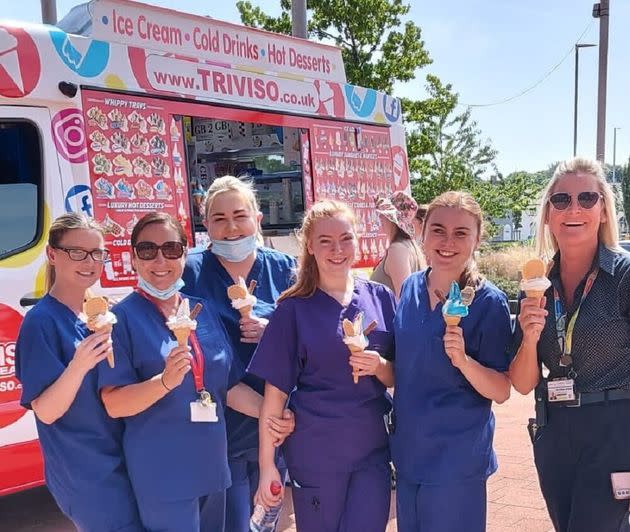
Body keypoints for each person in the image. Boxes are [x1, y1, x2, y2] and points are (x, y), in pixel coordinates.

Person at [249, 199, 396, 532]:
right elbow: (274, 397)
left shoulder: (381, 298)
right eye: (325, 241)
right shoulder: (292, 309)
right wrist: (268, 465)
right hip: (316, 452)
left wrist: (379, 364)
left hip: (371, 448)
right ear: (310, 247)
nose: (337, 249)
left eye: (345, 238)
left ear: (358, 240)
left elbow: (397, 375)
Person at [99, 212, 249, 532]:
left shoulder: (201, 310)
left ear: (185, 252)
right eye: (147, 250)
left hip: (212, 467)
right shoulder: (120, 320)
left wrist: (276, 412)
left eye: (171, 249)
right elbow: (114, 403)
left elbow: (229, 386)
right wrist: (164, 382)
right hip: (163, 475)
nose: (160, 260)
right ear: (132, 258)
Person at [510, 157, 630, 532]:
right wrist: (529, 337)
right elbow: (523, 382)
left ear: (604, 211)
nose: (573, 208)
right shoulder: (535, 284)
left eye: (587, 198)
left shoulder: (624, 276)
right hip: (555, 428)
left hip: (615, 427)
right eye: (561, 200)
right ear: (547, 215)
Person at [392, 191, 513, 532]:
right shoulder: (411, 288)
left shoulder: (489, 303)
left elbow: (501, 390)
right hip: (409, 454)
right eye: (438, 230)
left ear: (477, 239)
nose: (447, 242)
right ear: (422, 233)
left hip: (455, 461)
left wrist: (463, 361)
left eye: (461, 232)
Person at [14, 213, 142, 532]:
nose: (89, 262)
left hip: (123, 461)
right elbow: (45, 411)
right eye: (77, 252)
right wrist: (79, 364)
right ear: (52, 254)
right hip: (87, 474)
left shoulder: (100, 314)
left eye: (97, 253)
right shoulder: (41, 322)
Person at [182, 175, 296, 531]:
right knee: (230, 520)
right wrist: (270, 415)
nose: (231, 227)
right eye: (219, 218)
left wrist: (272, 332)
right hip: (222, 426)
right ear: (205, 224)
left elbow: (307, 339)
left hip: (278, 425)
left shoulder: (285, 268)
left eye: (240, 215)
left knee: (269, 516)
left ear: (257, 219)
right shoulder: (190, 271)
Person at [370, 191, 426, 299]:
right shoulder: (410, 246)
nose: (380, 218)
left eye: (384, 214)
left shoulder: (397, 249)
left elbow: (405, 298)